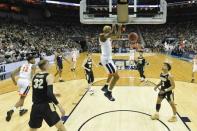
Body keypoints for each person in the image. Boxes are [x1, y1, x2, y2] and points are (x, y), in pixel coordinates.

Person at [29, 60, 66, 131]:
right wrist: (60, 107)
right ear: (45, 66)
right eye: (48, 63)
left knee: (32, 129)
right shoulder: (49, 76)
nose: (50, 65)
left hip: (36, 106)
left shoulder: (35, 76)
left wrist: (54, 94)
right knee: (60, 126)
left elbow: (37, 90)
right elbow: (49, 94)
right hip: (46, 105)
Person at [6, 56, 36, 122]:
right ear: (30, 60)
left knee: (22, 97)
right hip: (26, 82)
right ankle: (12, 110)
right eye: (33, 59)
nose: (34, 60)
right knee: (22, 98)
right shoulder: (33, 66)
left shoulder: (22, 65)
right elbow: (33, 76)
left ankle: (21, 110)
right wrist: (33, 84)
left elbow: (12, 74)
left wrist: (14, 81)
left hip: (20, 81)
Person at [99, 25, 120, 101]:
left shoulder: (108, 37)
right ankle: (108, 93)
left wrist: (120, 26)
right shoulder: (102, 36)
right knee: (117, 77)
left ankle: (106, 86)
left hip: (108, 59)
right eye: (110, 29)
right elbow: (112, 33)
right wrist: (114, 27)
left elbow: (117, 35)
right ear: (107, 31)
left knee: (113, 72)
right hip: (106, 60)